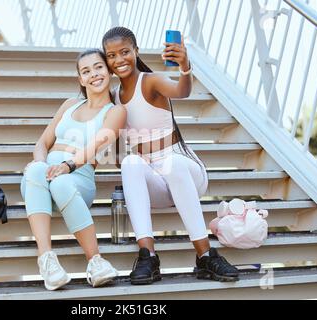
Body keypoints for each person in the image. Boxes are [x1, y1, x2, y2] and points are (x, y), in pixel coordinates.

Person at [102, 27, 239, 285]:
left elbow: (181, 91)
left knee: (172, 164)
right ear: (107, 62)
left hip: (184, 168)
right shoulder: (114, 98)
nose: (119, 60)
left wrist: (185, 66)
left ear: (136, 51)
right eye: (111, 56)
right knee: (131, 161)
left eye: (124, 52)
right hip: (156, 181)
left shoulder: (150, 81)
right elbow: (120, 150)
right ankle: (147, 256)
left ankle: (205, 255)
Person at [20, 48, 126, 290]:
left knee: (60, 182)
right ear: (81, 79)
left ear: (109, 71)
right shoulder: (69, 105)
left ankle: (95, 262)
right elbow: (42, 143)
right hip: (42, 180)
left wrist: (67, 166)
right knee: (35, 171)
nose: (94, 74)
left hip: (78, 178)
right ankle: (47, 261)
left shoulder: (116, 111)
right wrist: (39, 162)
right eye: (86, 71)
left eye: (99, 67)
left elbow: (99, 142)